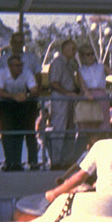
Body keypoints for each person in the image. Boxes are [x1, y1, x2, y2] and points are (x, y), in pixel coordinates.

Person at [45, 111, 112, 203]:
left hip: (104, 201)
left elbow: (80, 177)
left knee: (77, 189)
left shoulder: (100, 145)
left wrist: (54, 193)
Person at [0, 32, 42, 166]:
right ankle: (11, 161)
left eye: (20, 42)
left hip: (26, 100)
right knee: (9, 132)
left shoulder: (31, 58)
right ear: (11, 43)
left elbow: (37, 78)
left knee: (29, 132)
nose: (18, 45)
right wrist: (13, 96)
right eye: (15, 42)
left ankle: (33, 161)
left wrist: (28, 95)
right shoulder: (3, 59)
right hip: (7, 101)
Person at [75, 43, 112, 147]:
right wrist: (87, 93)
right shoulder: (80, 70)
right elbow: (81, 84)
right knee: (86, 125)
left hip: (101, 95)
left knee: (102, 126)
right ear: (82, 57)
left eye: (92, 54)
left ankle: (101, 148)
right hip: (88, 96)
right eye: (87, 54)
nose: (90, 57)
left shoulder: (101, 66)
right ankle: (85, 149)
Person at [48, 39, 79, 170]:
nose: (74, 52)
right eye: (72, 49)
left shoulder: (69, 64)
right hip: (61, 99)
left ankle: (66, 160)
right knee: (59, 129)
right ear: (65, 49)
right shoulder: (57, 63)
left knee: (70, 130)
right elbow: (54, 83)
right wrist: (67, 93)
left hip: (70, 99)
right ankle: (55, 160)